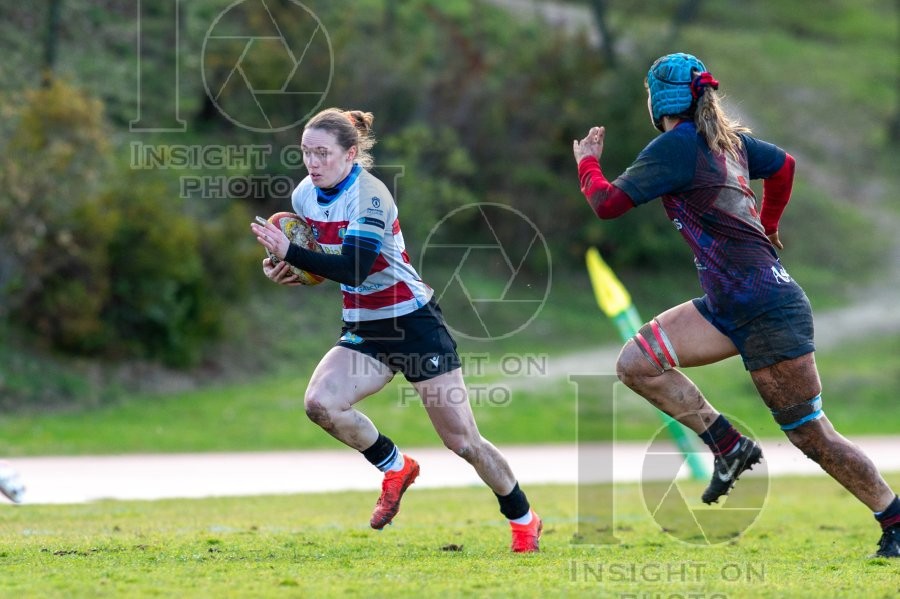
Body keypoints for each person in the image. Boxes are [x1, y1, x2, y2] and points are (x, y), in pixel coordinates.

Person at [571, 52, 899, 558]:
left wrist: (587, 163)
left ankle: (893, 517)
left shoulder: (675, 147)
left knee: (811, 434)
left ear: (658, 99)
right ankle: (728, 444)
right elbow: (784, 166)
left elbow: (607, 203)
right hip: (727, 304)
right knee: (637, 365)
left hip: (768, 308)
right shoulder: (728, 143)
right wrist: (769, 225)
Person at [250, 107, 542, 552]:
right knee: (320, 404)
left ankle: (523, 518)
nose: (312, 162)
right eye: (306, 152)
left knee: (463, 442)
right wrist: (287, 267)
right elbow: (321, 260)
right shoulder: (305, 195)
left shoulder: (371, 195)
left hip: (413, 322)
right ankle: (395, 466)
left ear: (350, 154)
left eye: (322, 153)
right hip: (364, 327)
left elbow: (354, 265)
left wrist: (292, 250)